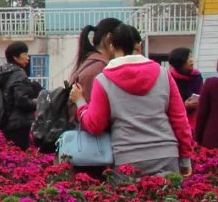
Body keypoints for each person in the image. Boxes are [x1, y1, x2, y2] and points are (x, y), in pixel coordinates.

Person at [69, 22, 194, 176]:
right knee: (167, 198)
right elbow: (180, 120)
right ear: (139, 46)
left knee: (131, 199)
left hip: (127, 158)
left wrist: (80, 102)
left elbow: (95, 125)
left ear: (112, 46)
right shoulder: (163, 74)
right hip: (166, 154)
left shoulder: (103, 80)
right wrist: (185, 159)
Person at [0, 41, 43, 149]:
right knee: (20, 152)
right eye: (25, 54)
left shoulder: (6, 73)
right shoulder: (19, 74)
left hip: (8, 122)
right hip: (19, 124)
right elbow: (22, 102)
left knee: (12, 152)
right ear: (15, 57)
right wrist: (40, 101)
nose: (28, 58)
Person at [165, 48, 203, 115]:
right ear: (179, 63)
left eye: (191, 57)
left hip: (196, 116)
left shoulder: (197, 76)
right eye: (188, 58)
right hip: (178, 117)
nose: (191, 60)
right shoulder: (169, 78)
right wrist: (184, 105)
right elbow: (167, 104)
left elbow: (201, 95)